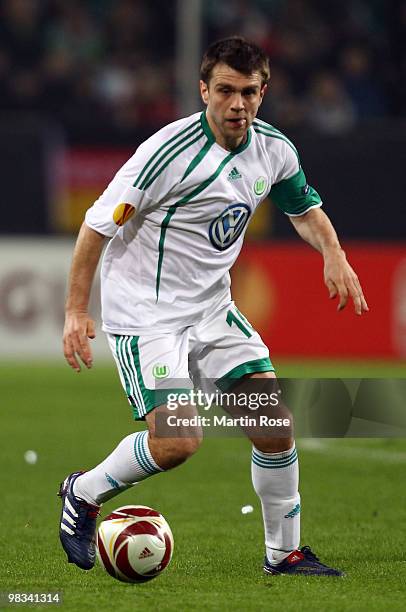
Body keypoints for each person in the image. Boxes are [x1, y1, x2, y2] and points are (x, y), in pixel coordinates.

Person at [59, 36, 368, 577]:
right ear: (204, 90)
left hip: (212, 310)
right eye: (224, 90)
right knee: (178, 442)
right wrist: (75, 311)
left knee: (274, 426)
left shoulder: (274, 149)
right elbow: (95, 226)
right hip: (147, 316)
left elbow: (302, 208)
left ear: (262, 93)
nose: (236, 104)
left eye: (248, 92)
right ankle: (83, 493)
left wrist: (334, 255)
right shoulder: (164, 154)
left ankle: (284, 554)